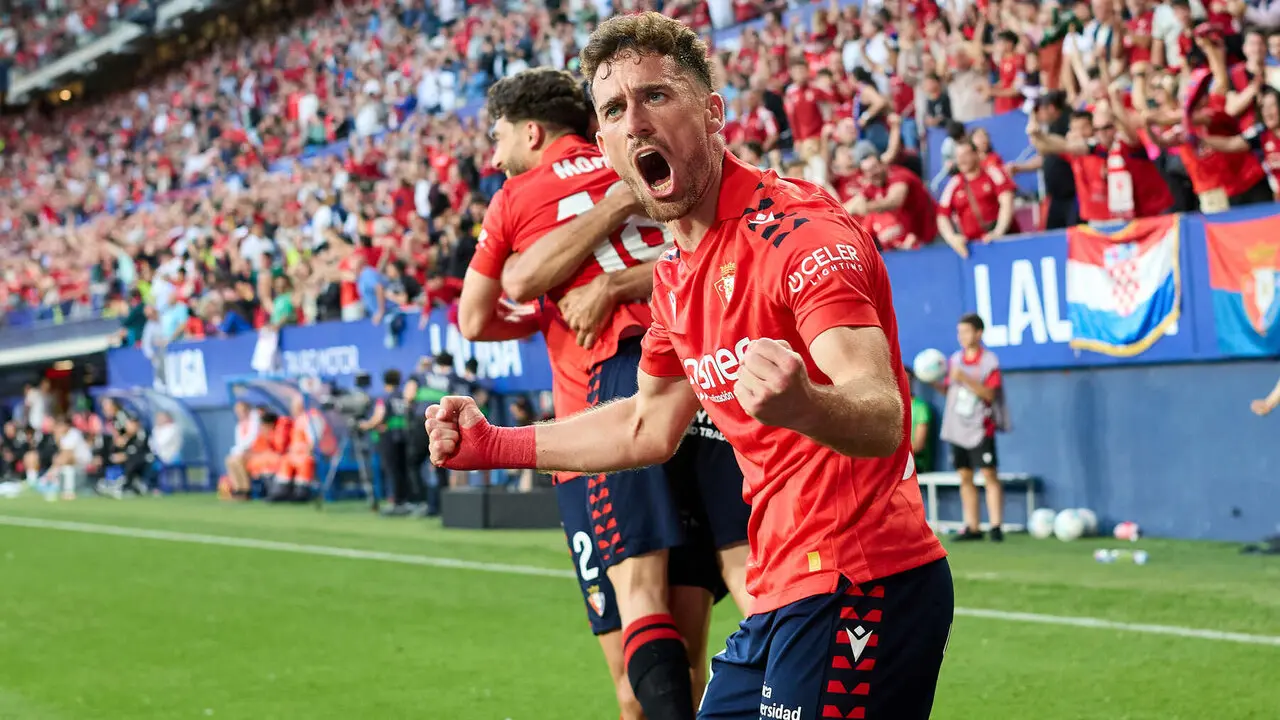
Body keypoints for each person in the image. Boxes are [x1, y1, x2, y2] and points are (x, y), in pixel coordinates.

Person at [427, 13, 952, 719]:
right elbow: (646, 427)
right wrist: (498, 445)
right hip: (779, 593)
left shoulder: (801, 232)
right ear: (605, 144)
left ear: (712, 114)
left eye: (656, 96)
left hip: (861, 579)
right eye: (614, 109)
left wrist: (806, 405)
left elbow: (883, 413)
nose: (635, 121)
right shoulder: (674, 275)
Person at [456, 67, 732, 720]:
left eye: (499, 138)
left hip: (600, 407)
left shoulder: (516, 196)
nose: (493, 155)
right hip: (694, 366)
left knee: (633, 668)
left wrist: (562, 302)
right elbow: (706, 252)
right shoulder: (637, 160)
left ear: (529, 131)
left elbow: (477, 315)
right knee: (707, 630)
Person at [938, 314, 1008, 542]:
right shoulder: (954, 360)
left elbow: (990, 394)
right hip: (957, 426)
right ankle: (973, 526)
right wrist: (933, 381)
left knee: (989, 474)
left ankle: (996, 526)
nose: (962, 337)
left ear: (979, 333)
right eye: (959, 332)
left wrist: (965, 378)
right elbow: (950, 392)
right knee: (965, 476)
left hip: (980, 426)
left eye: (966, 332)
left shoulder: (990, 362)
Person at [361, 369, 424, 515]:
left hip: (389, 436)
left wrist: (364, 425)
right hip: (406, 436)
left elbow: (379, 417)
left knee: (392, 469)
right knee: (404, 469)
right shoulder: (403, 396)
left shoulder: (384, 397)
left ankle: (397, 501)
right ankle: (408, 500)